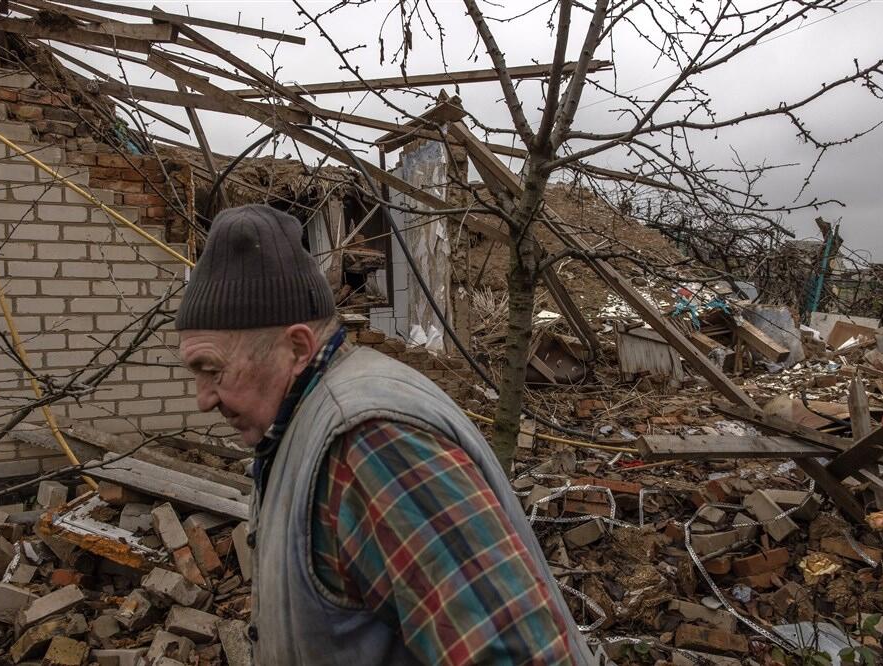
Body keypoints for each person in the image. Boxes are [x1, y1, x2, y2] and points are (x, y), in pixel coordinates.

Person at [176, 204, 606, 665]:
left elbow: (519, 656)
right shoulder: (307, 422)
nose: (203, 398)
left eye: (212, 370)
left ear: (297, 347)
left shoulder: (370, 444)